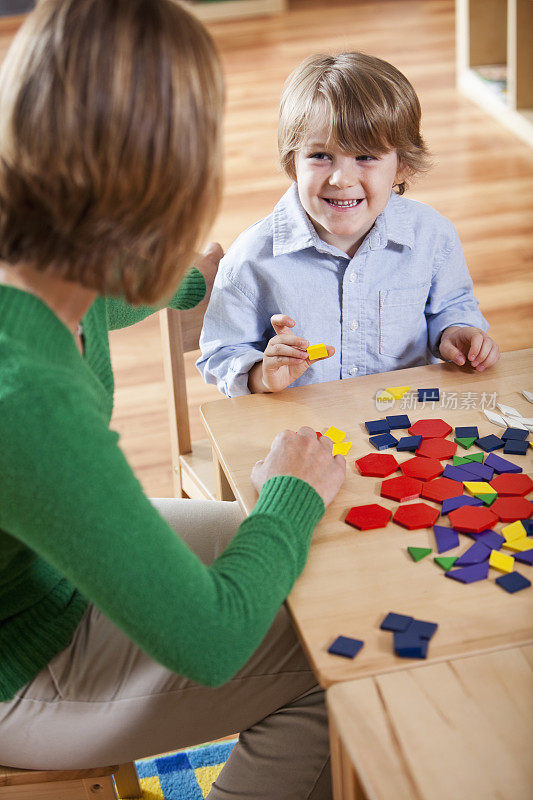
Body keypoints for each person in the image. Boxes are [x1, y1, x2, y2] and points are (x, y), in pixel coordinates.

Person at [0, 3, 346, 798]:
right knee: (339, 654)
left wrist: (187, 279)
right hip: (20, 665)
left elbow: (93, 302)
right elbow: (213, 640)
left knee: (308, 572)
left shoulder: (34, 262)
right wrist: (288, 494)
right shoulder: (31, 401)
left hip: (39, 575)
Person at [197, 52, 500, 397]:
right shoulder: (251, 258)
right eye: (320, 156)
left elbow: (452, 307)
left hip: (407, 426)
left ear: (402, 166)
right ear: (293, 163)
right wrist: (262, 375)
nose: (342, 179)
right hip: (303, 434)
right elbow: (221, 355)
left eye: (366, 157)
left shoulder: (432, 237)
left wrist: (456, 331)